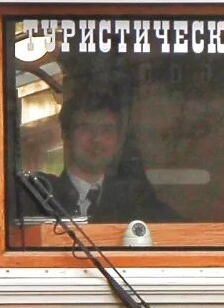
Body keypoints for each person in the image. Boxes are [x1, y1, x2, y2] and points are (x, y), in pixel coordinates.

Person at [37, 95, 152, 223]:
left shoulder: (139, 206)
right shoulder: (41, 201)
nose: (97, 139)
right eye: (86, 128)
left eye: (107, 130)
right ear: (66, 135)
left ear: (119, 139)